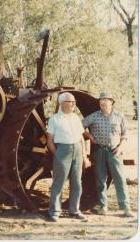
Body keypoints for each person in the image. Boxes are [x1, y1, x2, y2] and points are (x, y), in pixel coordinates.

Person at [82, 92, 133, 217]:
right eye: (101, 100)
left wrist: (120, 148)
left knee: (120, 179)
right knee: (100, 179)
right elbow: (79, 126)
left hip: (115, 151)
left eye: (105, 100)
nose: (103, 102)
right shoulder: (94, 116)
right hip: (99, 151)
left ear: (111, 102)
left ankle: (126, 207)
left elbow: (125, 135)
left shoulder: (119, 116)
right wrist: (89, 136)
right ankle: (103, 206)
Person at [46, 92, 91, 222]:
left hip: (77, 149)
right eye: (70, 102)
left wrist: (84, 156)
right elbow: (49, 140)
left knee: (77, 182)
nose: (74, 104)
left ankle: (75, 210)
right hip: (62, 149)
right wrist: (57, 154)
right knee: (58, 182)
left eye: (74, 102)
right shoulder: (54, 119)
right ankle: (54, 212)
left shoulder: (76, 118)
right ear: (61, 104)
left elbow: (82, 138)